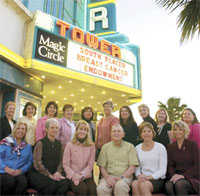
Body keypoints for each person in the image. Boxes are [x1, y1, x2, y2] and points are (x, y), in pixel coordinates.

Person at [27, 118, 70, 195]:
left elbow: (61, 161)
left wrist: (58, 172)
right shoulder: (40, 143)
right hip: (38, 173)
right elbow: (37, 164)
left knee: (64, 184)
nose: (55, 130)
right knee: (51, 185)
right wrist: (48, 175)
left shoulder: (59, 144)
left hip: (53, 173)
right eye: (52, 127)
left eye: (56, 128)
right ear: (46, 129)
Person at [97, 124, 139, 196]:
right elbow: (102, 166)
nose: (116, 133)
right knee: (101, 188)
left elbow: (132, 167)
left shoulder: (130, 147)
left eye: (119, 131)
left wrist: (121, 177)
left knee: (120, 186)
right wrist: (108, 178)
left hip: (125, 177)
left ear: (123, 134)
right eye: (114, 131)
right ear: (111, 134)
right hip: (109, 176)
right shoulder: (105, 147)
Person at [132, 122, 167, 196]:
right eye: (144, 131)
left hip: (157, 179)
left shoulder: (160, 147)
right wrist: (139, 175)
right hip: (143, 177)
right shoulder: (137, 148)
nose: (146, 133)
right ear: (141, 134)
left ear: (153, 133)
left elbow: (163, 169)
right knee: (134, 184)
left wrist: (150, 177)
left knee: (143, 185)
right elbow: (137, 167)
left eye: (149, 131)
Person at [165, 120, 200, 196]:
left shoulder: (192, 144)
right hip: (176, 176)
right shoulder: (170, 147)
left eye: (180, 129)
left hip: (191, 177)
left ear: (185, 131)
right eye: (175, 129)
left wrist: (183, 176)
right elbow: (170, 165)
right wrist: (174, 175)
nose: (177, 132)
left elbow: (197, 165)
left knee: (180, 184)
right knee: (168, 186)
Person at [63, 120, 96, 195]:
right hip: (72, 175)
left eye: (85, 130)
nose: (82, 132)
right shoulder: (69, 145)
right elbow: (65, 164)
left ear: (87, 132)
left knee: (93, 191)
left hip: (86, 175)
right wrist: (74, 176)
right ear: (76, 130)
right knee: (83, 190)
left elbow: (90, 164)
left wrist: (82, 175)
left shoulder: (91, 145)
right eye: (81, 129)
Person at [0, 121, 33, 195]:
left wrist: (21, 170)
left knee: (22, 182)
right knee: (8, 181)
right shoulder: (5, 142)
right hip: (3, 171)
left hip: (18, 172)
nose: (20, 131)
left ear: (25, 131)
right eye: (18, 128)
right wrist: (6, 168)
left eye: (23, 129)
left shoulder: (27, 146)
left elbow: (29, 161)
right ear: (15, 129)